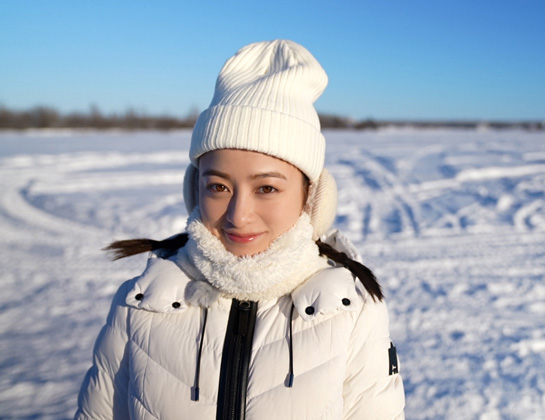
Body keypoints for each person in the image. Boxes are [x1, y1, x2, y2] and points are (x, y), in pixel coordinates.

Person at [75, 40, 405, 420]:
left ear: (310, 198)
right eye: (218, 186)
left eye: (267, 188)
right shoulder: (140, 304)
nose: (238, 215)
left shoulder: (352, 312)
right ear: (193, 189)